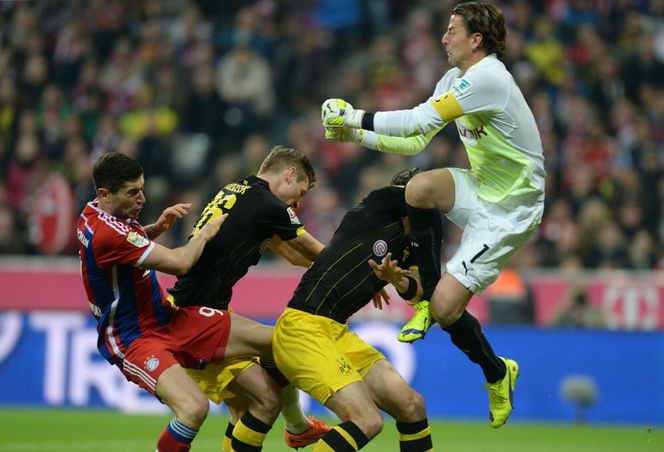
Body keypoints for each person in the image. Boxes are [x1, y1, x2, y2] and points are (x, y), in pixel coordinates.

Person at [321, 1, 545, 428]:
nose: (443, 38)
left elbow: (414, 121)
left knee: (447, 310)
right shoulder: (453, 78)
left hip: (513, 209)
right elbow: (415, 141)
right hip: (484, 188)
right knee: (418, 188)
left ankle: (498, 373)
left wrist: (354, 115)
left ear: (475, 39)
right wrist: (353, 134)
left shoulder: (489, 78)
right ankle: (423, 296)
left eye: (452, 30)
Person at [78, 152, 284, 452]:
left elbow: (122, 247)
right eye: (133, 192)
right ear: (104, 194)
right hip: (134, 339)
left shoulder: (92, 213)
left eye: (142, 188)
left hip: (169, 318)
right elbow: (181, 262)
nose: (143, 198)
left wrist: (154, 231)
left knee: (281, 341)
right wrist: (204, 234)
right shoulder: (107, 234)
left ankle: (296, 426)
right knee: (194, 409)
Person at [168, 145, 331, 450]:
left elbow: (295, 257)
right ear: (290, 173)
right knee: (288, 343)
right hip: (196, 318)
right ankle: (297, 426)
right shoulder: (267, 204)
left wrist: (324, 266)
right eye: (302, 191)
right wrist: (362, 274)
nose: (299, 200)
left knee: (259, 405)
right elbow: (315, 250)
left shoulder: (240, 192)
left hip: (202, 311)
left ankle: (297, 426)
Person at [273, 168, 434, 452]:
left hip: (336, 332)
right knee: (367, 420)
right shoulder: (375, 210)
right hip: (304, 327)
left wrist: (397, 279)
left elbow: (420, 291)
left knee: (412, 406)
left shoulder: (413, 243)